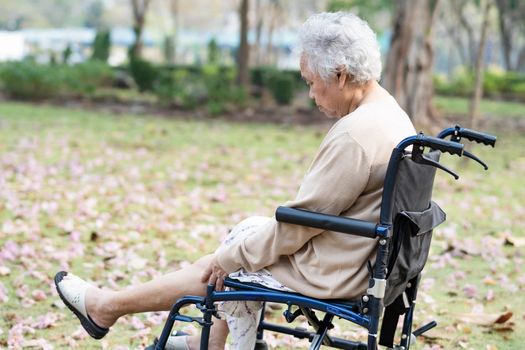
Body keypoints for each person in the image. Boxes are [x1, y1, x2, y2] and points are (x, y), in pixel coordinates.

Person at [54, 11, 416, 350]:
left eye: (311, 82)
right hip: (364, 260)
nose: (310, 95)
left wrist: (230, 257)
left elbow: (300, 225)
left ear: (339, 75)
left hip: (334, 271)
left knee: (222, 265)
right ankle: (205, 341)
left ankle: (107, 307)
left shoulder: (355, 135)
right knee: (242, 237)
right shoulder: (392, 115)